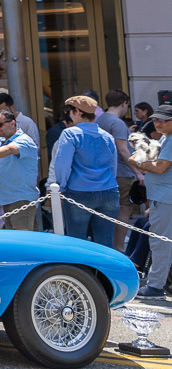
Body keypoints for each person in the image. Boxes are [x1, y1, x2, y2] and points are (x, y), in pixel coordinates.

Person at [49, 94, 120, 246]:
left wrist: (60, 186)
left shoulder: (69, 133)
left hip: (79, 192)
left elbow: (62, 164)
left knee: (77, 243)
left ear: (78, 112)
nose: (68, 114)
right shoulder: (107, 136)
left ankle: (81, 271)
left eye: (69, 111)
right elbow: (113, 166)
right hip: (109, 190)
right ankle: (103, 271)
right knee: (105, 243)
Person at [132, 105, 172, 297]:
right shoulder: (165, 138)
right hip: (162, 198)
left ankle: (155, 286)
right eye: (156, 119)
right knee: (161, 242)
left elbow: (160, 167)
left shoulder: (170, 139)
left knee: (161, 243)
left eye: (164, 120)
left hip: (166, 199)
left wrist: (138, 163)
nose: (158, 123)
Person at [100, 89, 143, 250]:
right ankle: (119, 249)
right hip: (123, 173)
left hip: (106, 173)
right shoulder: (117, 123)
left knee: (109, 214)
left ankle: (110, 248)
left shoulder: (100, 119)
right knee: (123, 212)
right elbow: (123, 149)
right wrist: (138, 172)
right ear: (124, 103)